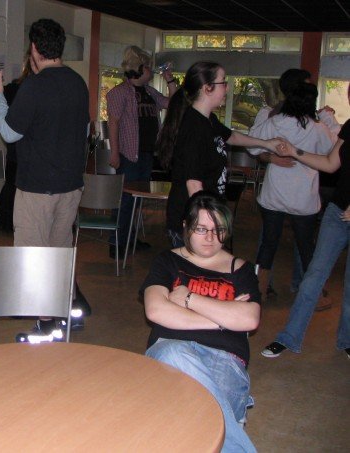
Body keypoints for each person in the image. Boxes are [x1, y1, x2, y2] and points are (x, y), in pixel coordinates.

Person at [0, 18, 90, 341]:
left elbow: (9, 132)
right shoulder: (78, 84)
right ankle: (66, 313)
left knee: (33, 255)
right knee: (59, 251)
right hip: (70, 186)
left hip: (37, 188)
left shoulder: (35, 86)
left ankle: (45, 325)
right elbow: (83, 131)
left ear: (33, 48)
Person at [141, 191, 260, 452]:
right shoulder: (168, 260)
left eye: (218, 230)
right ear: (185, 226)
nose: (210, 238)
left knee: (199, 414)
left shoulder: (239, 268)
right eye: (201, 229)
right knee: (175, 352)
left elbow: (249, 318)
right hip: (169, 350)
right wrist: (223, 318)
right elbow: (156, 311)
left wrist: (188, 298)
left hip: (225, 357)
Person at [261, 84, 350, 360]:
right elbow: (330, 163)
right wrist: (293, 151)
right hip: (337, 213)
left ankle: (346, 341)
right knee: (312, 277)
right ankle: (288, 337)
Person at [156, 61, 283, 248]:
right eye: (223, 82)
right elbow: (193, 184)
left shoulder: (208, 120)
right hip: (194, 221)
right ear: (207, 88)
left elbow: (231, 136)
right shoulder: (193, 127)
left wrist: (266, 143)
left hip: (207, 215)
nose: (227, 87)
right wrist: (207, 228)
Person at [247, 82, 336, 302]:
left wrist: (270, 153)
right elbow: (334, 151)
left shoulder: (274, 122)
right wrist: (328, 119)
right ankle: (312, 296)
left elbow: (252, 146)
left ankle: (258, 292)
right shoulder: (317, 129)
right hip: (303, 199)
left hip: (274, 196)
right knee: (307, 249)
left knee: (268, 245)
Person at [105, 46, 177, 258]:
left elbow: (171, 103)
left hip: (146, 154)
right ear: (138, 68)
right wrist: (115, 153)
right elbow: (114, 124)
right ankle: (117, 243)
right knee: (125, 201)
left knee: (137, 201)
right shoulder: (118, 93)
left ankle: (131, 239)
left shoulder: (149, 91)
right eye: (148, 67)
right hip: (129, 155)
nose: (151, 71)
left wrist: (170, 80)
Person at [0, 52, 38, 231]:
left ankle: (12, 225)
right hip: (27, 154)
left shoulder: (17, 88)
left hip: (18, 152)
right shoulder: (24, 88)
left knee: (15, 188)